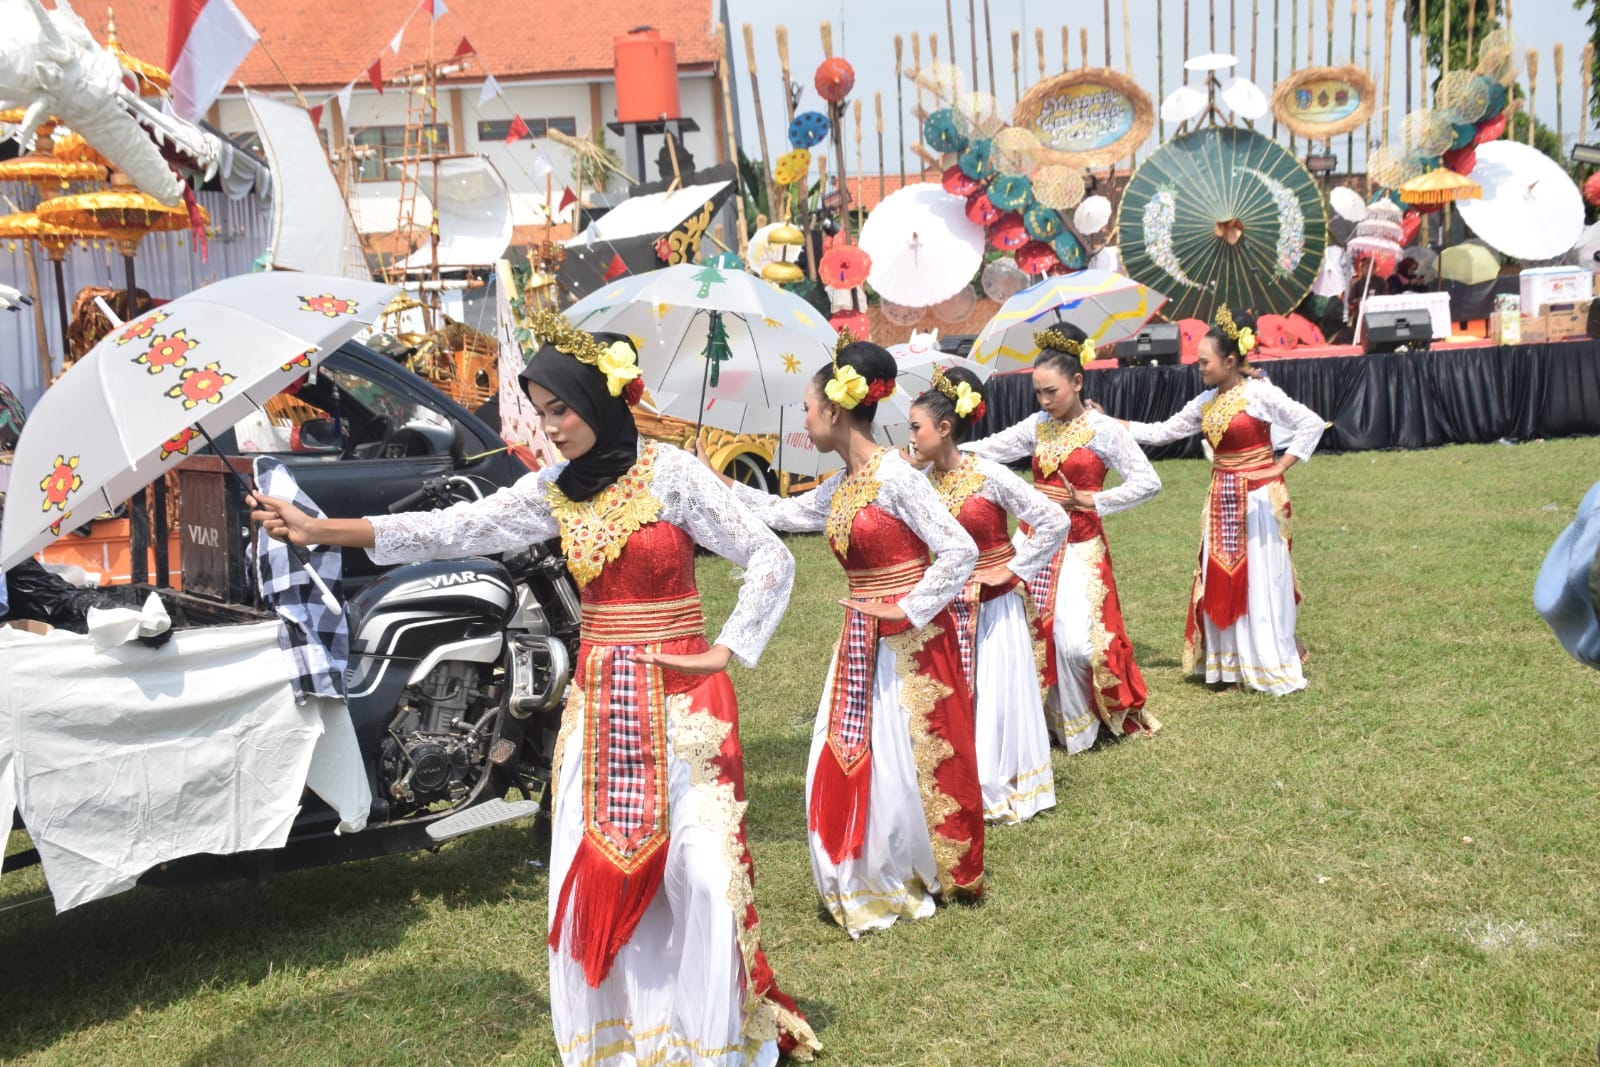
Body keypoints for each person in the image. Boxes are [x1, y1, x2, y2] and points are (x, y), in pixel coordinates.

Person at [251, 315, 819, 1065]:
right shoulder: (551, 491)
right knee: (603, 867)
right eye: (541, 412)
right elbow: (449, 529)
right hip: (602, 705)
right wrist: (320, 531)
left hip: (684, 704)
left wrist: (724, 649)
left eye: (562, 409)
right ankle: (635, 1037)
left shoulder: (672, 475)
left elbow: (769, 557)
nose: (551, 427)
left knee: (704, 875)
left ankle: (713, 1037)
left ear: (602, 400)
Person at [708, 339, 983, 938]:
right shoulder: (844, 484)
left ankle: (906, 869)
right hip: (860, 636)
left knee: (905, 762)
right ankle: (868, 873)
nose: (805, 420)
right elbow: (788, 514)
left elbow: (959, 549)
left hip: (911, 643)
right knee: (855, 754)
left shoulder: (895, 476)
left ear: (834, 411)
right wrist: (721, 486)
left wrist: (905, 606)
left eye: (808, 409)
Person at [965, 326, 1162, 752]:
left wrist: (1094, 500)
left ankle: (1080, 726)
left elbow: (1148, 481)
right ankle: (1040, 725)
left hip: (1079, 547)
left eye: (1051, 391)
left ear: (1077, 382)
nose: (1044, 401)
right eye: (1038, 393)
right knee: (1028, 636)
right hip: (1032, 544)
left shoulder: (1105, 429)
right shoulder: (1038, 425)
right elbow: (991, 448)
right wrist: (943, 451)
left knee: (1075, 645)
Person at [1113, 306, 1324, 695]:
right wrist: (1112, 423)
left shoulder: (1259, 394)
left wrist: (1279, 467)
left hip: (1258, 502)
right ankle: (1229, 665)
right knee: (1222, 575)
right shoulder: (1206, 402)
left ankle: (1263, 658)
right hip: (1222, 500)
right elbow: (1163, 432)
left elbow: (1310, 422)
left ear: (1229, 361)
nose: (1199, 368)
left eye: (1204, 362)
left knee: (1258, 576)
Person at [906, 365, 1066, 824]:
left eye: (915, 428)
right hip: (944, 606)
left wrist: (1013, 571)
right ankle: (955, 780)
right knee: (950, 693)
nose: (910, 438)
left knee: (995, 695)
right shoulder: (915, 483)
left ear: (944, 428)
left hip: (994, 608)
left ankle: (996, 783)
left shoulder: (989, 474)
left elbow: (1054, 520)